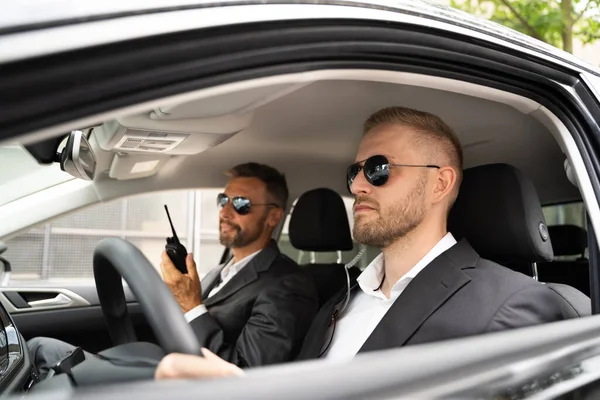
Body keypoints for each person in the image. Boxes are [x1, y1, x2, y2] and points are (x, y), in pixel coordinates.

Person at [153, 105, 583, 380]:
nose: (358, 184)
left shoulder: (517, 307)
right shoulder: (340, 302)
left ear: (440, 183)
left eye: (378, 168)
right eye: (354, 172)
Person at [28, 162, 319, 379]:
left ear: (273, 217)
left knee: (41, 351)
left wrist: (192, 305)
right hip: (165, 372)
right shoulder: (219, 272)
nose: (225, 211)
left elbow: (241, 377)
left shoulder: (288, 286)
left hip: (184, 386)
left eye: (241, 204)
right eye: (223, 200)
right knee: (40, 350)